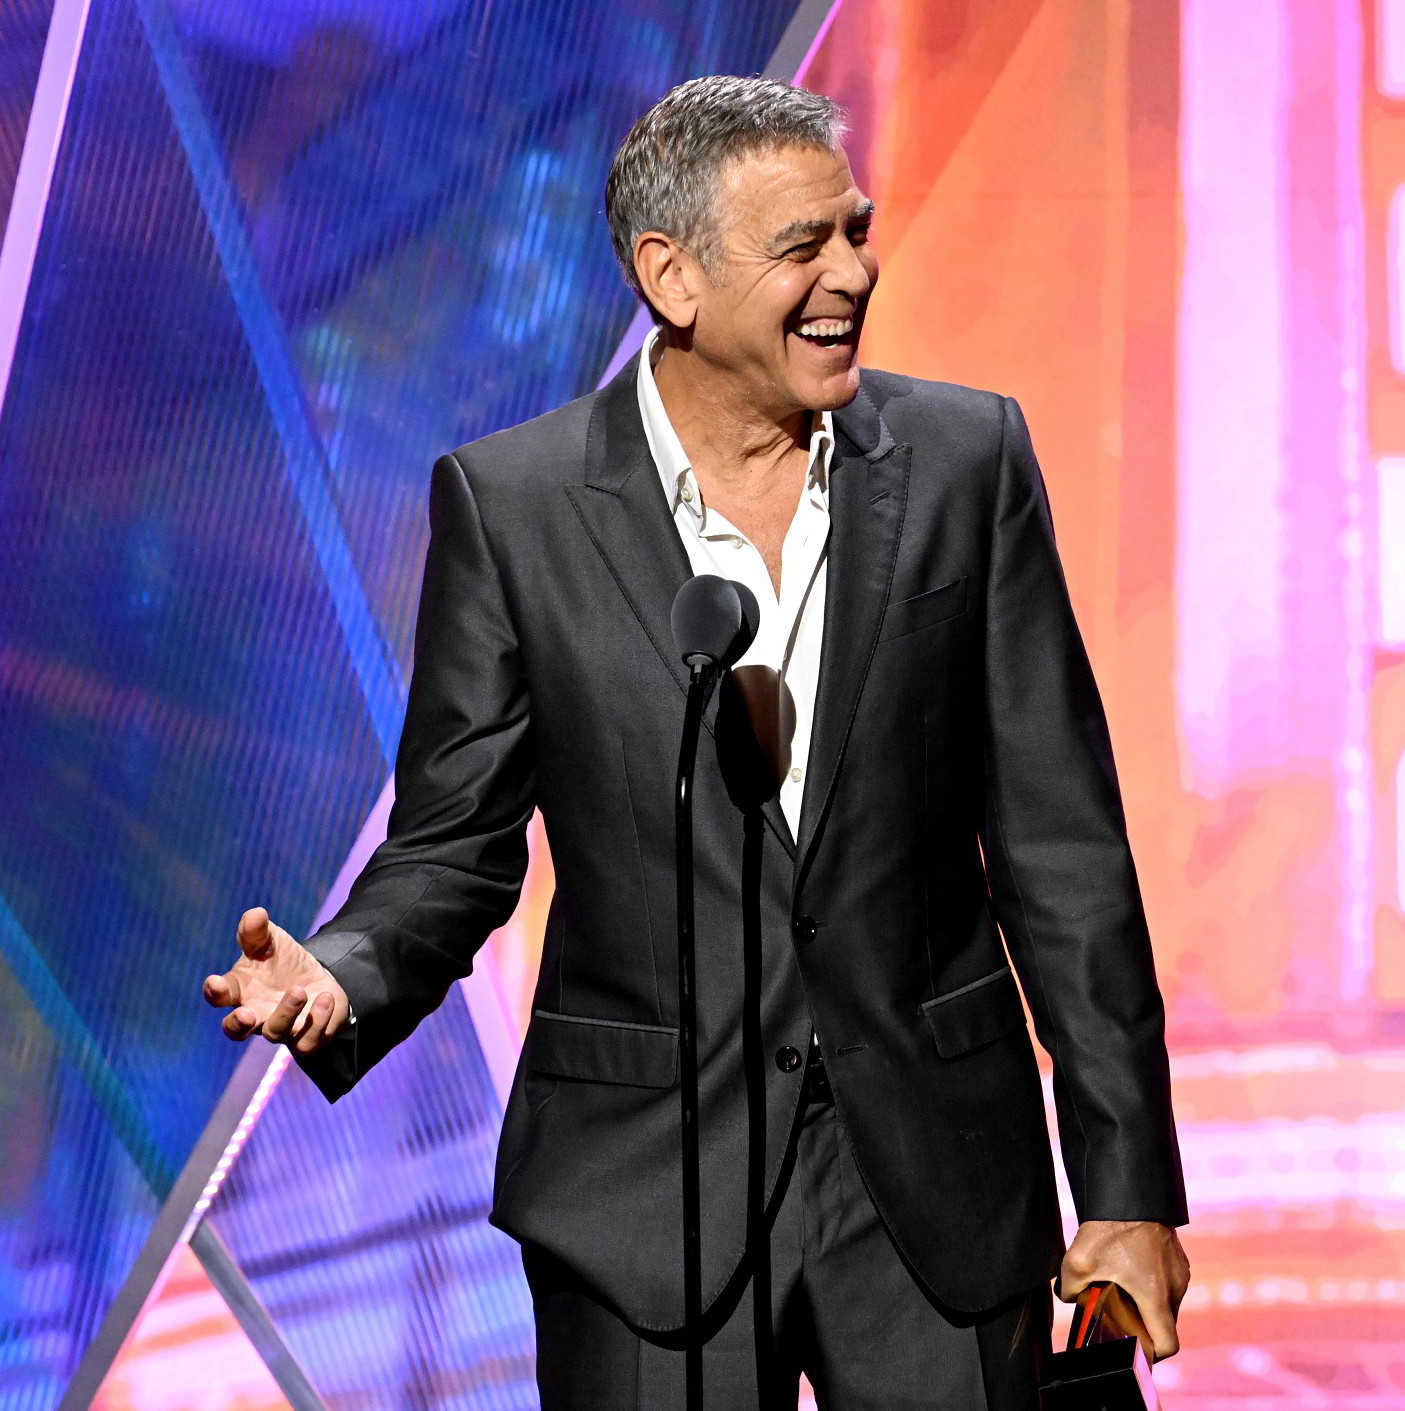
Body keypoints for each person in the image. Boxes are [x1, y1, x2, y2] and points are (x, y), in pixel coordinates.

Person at [202, 75, 1188, 1410]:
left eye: (856, 228)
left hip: (935, 1196)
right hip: (640, 1201)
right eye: (806, 246)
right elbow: (456, 848)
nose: (854, 269)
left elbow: (1062, 854)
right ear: (671, 276)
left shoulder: (967, 465)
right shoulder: (516, 513)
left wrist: (1127, 1188)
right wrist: (347, 975)